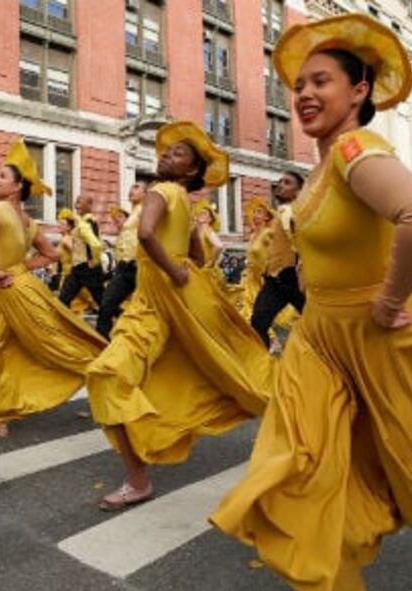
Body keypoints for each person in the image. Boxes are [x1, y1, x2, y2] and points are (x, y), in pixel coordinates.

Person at [210, 16, 412, 591]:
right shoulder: (320, 170)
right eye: (298, 83)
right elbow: (330, 237)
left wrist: (387, 298)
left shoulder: (357, 149)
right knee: (298, 470)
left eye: (321, 81)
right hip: (319, 340)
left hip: (384, 334)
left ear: (359, 91)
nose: (303, 94)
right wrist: (308, 272)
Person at [86, 121, 272, 511]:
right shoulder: (185, 204)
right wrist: (183, 271)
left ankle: (138, 480)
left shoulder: (160, 191)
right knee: (217, 363)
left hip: (157, 301)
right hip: (177, 300)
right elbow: (199, 256)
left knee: (108, 376)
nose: (166, 155)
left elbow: (147, 235)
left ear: (190, 172)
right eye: (166, 152)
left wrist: (171, 271)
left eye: (177, 155)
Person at [0, 140, 107, 437]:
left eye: (0, 177)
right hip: (18, 287)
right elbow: (50, 255)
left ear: (15, 188)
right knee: (35, 344)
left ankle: (112, 382)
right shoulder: (28, 220)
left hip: (6, 288)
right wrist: (19, 268)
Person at [250, 171, 306, 348]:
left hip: (293, 280)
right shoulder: (280, 214)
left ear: (298, 191)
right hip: (274, 281)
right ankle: (263, 366)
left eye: (287, 183)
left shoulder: (295, 213)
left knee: (316, 324)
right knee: (258, 322)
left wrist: (302, 269)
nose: (281, 185)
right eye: (280, 181)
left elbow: (303, 240)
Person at [96, 180, 147, 338]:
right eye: (131, 186)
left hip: (140, 266)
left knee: (148, 309)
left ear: (146, 194)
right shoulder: (134, 213)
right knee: (106, 304)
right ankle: (103, 341)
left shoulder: (146, 211)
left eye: (137, 187)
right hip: (125, 267)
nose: (132, 189)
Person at [57, 194, 105, 310]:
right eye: (76, 202)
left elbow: (96, 244)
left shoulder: (87, 222)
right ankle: (67, 326)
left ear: (89, 205)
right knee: (63, 299)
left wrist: (95, 260)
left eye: (79, 202)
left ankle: (121, 322)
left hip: (88, 268)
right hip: (78, 268)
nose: (76, 205)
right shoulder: (83, 221)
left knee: (103, 302)